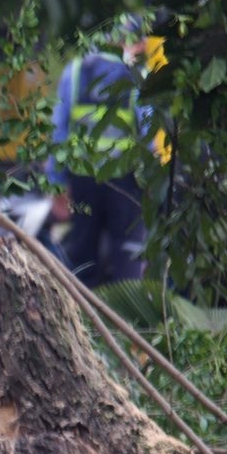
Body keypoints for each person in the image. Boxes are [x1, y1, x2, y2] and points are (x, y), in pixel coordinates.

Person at [47, 37, 154, 285]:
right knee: (127, 259)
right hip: (126, 183)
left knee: (82, 259)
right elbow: (149, 133)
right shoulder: (136, 75)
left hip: (83, 181)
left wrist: (57, 183)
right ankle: (126, 317)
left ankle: (81, 317)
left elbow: (59, 133)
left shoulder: (74, 72)